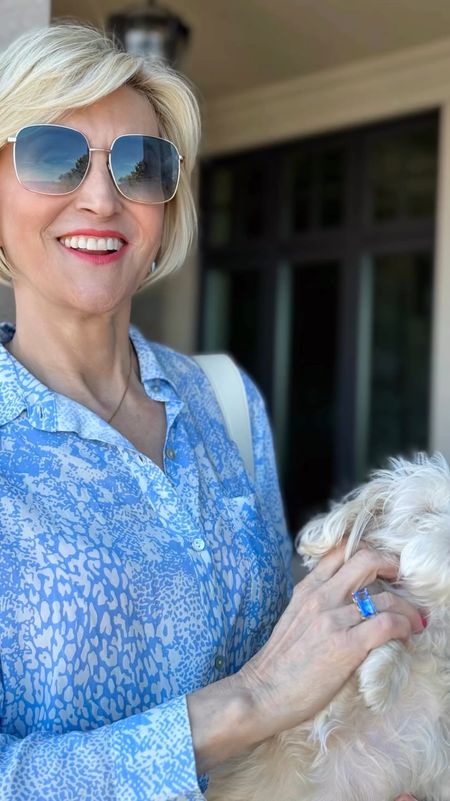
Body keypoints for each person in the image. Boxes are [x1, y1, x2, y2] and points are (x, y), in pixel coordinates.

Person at [0, 21, 424, 801]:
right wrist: (250, 700)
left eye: (140, 165)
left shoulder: (223, 400)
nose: (101, 196)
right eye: (53, 156)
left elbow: (288, 671)